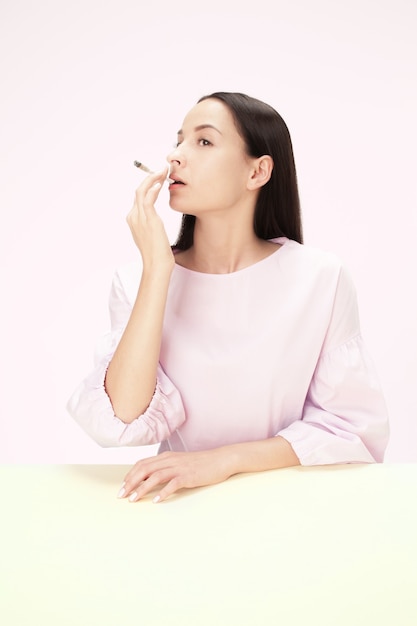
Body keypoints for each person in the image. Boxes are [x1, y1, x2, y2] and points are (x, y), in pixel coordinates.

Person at [67, 92, 390, 503]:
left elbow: (350, 430)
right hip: (173, 507)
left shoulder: (320, 278)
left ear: (258, 171)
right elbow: (123, 417)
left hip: (286, 508)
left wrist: (223, 461)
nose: (174, 157)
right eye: (179, 140)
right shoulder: (137, 280)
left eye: (203, 141)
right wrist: (158, 271)